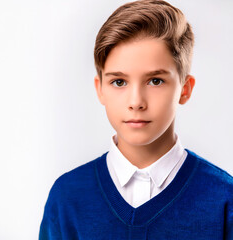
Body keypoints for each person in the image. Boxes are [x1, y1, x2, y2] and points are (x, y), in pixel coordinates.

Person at [39, 0, 233, 239]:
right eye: (119, 82)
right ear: (100, 89)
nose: (136, 102)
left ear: (184, 89)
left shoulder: (224, 199)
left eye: (155, 81)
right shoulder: (67, 197)